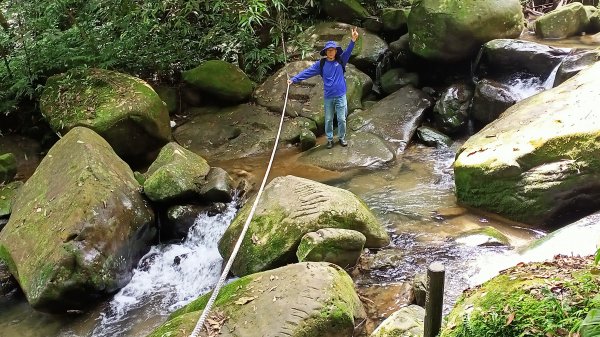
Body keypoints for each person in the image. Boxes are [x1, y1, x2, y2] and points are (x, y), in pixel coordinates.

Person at [288, 27, 359, 149]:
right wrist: (294, 79)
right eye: (328, 50)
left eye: (333, 50)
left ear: (336, 51)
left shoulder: (341, 60)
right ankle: (330, 139)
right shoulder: (321, 64)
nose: (331, 52)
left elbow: (348, 51)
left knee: (342, 119)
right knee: (328, 120)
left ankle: (342, 138)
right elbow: (308, 72)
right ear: (326, 52)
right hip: (328, 97)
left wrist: (353, 40)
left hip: (341, 95)